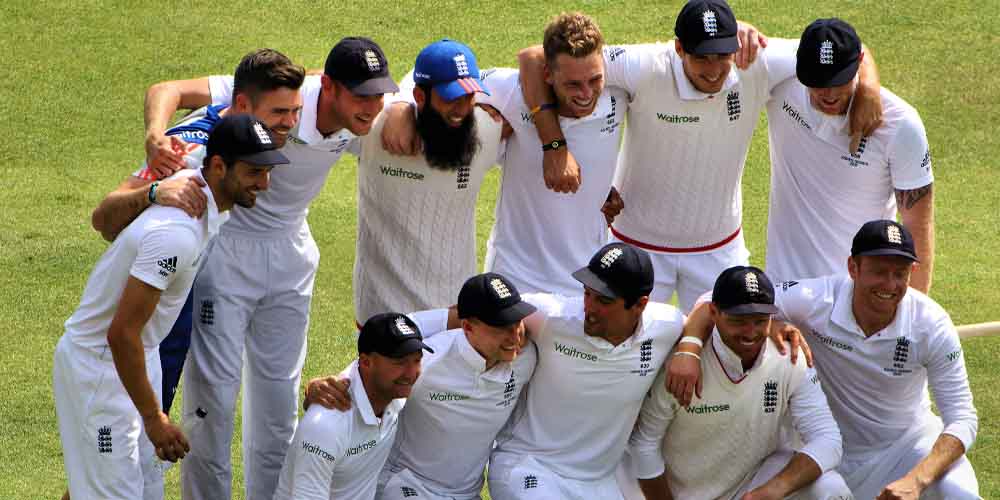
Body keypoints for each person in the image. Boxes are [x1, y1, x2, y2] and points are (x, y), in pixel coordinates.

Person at [141, 37, 400, 500]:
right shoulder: (279, 93)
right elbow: (168, 90)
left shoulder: (360, 114)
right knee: (213, 401)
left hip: (292, 256)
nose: (373, 106)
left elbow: (418, 104)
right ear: (331, 87)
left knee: (279, 405)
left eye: (380, 95)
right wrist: (156, 136)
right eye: (363, 95)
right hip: (228, 255)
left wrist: (408, 115)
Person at [517, 0, 883, 312]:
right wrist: (554, 146)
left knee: (730, 353)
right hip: (635, 248)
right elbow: (535, 58)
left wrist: (867, 86)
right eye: (702, 58)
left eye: (722, 55)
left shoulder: (757, 60)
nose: (714, 70)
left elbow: (846, 48)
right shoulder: (645, 66)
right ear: (679, 49)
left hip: (720, 250)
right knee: (623, 355)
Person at [53, 114, 287, 500]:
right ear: (218, 166)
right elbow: (121, 334)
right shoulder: (177, 233)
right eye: (254, 172)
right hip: (100, 367)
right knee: (111, 492)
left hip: (135, 360)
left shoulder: (201, 196)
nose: (264, 183)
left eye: (267, 171)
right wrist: (153, 418)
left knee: (141, 489)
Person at [678, 220, 980, 499]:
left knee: (961, 492)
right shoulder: (816, 299)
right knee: (827, 490)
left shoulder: (932, 324)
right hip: (826, 454)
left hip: (907, 450)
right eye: (879, 271)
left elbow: (963, 418)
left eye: (900, 273)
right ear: (853, 267)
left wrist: (916, 480)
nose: (890, 284)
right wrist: (691, 349)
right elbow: (712, 300)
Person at [90, 47, 306, 417]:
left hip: (178, 283)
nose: (289, 122)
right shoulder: (188, 154)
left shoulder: (238, 119)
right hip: (153, 297)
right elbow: (104, 220)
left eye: (295, 111)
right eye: (279, 113)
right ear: (243, 105)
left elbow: (167, 89)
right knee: (138, 415)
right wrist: (155, 187)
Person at [305, 272, 538, 500]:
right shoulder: (427, 363)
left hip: (468, 493)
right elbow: (370, 377)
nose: (514, 336)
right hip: (406, 485)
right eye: (501, 327)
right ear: (467, 327)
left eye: (517, 322)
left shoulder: (526, 359)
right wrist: (325, 387)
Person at [625, 266, 849, 500]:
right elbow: (644, 444)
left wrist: (773, 490)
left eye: (760, 320)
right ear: (714, 312)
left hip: (753, 483)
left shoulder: (789, 356)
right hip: (684, 494)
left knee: (831, 489)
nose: (750, 333)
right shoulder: (680, 367)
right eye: (738, 320)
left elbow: (827, 439)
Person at [484, 242, 685, 499]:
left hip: (600, 482)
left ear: (640, 304)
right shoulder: (553, 317)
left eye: (604, 300)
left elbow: (708, 309)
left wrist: (689, 348)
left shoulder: (666, 326)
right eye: (587, 293)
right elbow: (476, 310)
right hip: (531, 466)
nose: (589, 307)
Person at [765, 18, 935, 293]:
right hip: (784, 290)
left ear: (858, 64)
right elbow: (725, 38)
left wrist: (914, 310)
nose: (829, 94)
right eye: (817, 82)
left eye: (839, 80)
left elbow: (918, 225)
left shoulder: (901, 125)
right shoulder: (782, 83)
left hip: (856, 298)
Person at [352, 39, 503, 325]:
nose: (462, 109)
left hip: (455, 315)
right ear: (419, 96)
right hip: (381, 314)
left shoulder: (489, 128)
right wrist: (397, 103)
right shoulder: (375, 128)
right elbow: (322, 89)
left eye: (469, 97)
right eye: (451, 98)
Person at [272, 313, 431, 500]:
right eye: (400, 363)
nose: (411, 374)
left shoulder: (394, 390)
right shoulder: (325, 426)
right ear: (366, 362)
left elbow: (458, 321)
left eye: (417, 360)